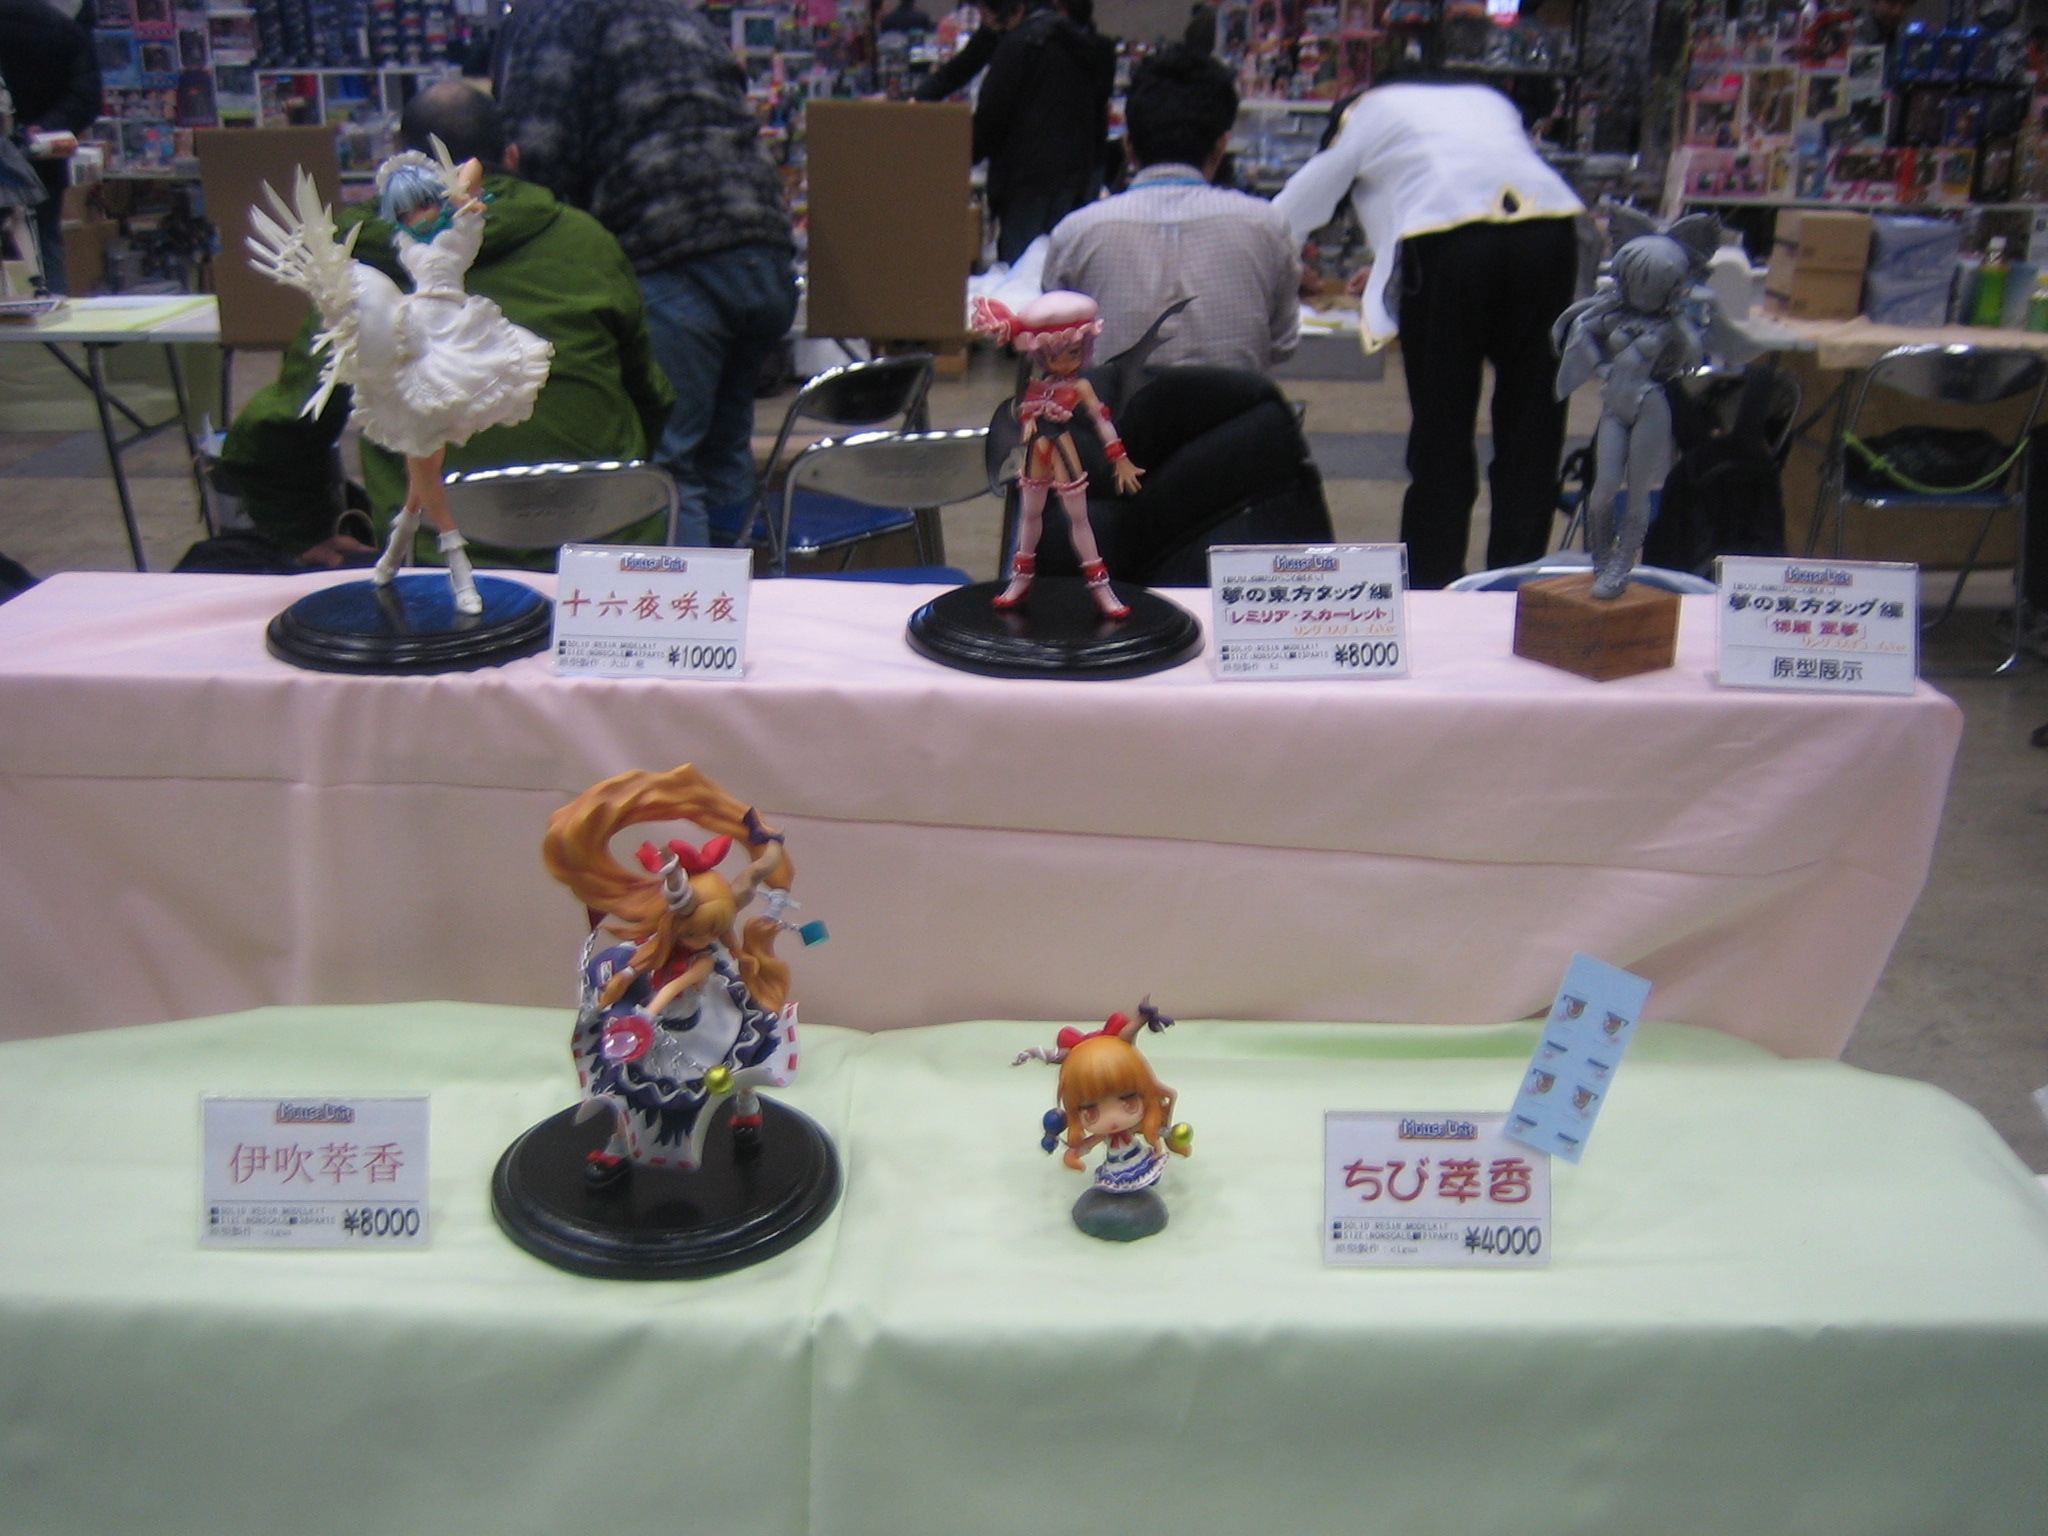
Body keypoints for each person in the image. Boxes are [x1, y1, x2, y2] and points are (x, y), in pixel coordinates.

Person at [219, 82, 673, 571]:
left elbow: (284, 424)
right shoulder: (585, 241)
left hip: (438, 559)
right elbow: (650, 395)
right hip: (607, 549)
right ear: (512, 157)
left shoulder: (355, 263)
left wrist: (304, 529)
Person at [499, 0, 798, 547]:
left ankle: (693, 604)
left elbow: (535, 155)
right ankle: (740, 593)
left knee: (668, 472)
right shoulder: (679, 13)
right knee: (724, 450)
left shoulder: (556, 16)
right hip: (764, 246)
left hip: (674, 250)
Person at [1272, 78, 1584, 588]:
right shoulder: (1484, 99)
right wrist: (1388, 269)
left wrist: (1284, 264)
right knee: (1534, 424)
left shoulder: (1363, 114)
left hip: (1451, 249)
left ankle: (1435, 582)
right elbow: (1471, 184)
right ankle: (1518, 582)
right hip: (1550, 235)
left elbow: (1294, 209)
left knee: (1443, 428)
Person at [1043, 44, 1298, 374]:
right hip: (1230, 407)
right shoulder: (1267, 227)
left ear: (1128, 146)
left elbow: (1055, 350)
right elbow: (1282, 344)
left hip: (1111, 408)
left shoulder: (1076, 233)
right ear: (1221, 147)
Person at [971, 0, 1112, 263]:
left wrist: (967, 155)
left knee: (1020, 267)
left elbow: (992, 113)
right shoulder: (1085, 44)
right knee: (1062, 262)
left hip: (1026, 176)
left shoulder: (1017, 44)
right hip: (1075, 171)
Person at [0, 0, 99, 294]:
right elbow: (86, 96)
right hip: (44, 157)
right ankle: (53, 311)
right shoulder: (65, 29)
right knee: (45, 244)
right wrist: (45, 127)